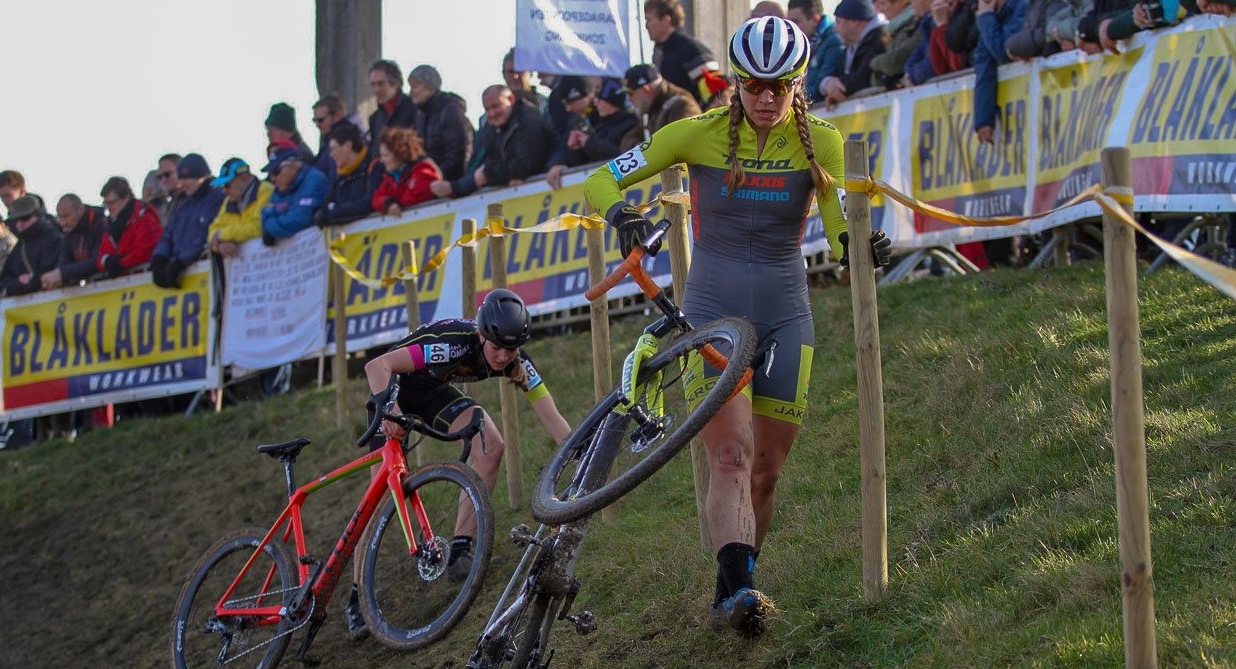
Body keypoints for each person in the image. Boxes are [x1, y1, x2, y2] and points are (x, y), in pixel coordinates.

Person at [583, 16, 890, 637]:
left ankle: (733, 584)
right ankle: (743, 589)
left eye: (780, 86)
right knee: (729, 453)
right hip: (712, 312)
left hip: (785, 309)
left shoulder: (820, 143)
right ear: (735, 83)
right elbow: (600, 177)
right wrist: (622, 215)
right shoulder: (692, 133)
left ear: (798, 83)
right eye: (754, 85)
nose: (767, 98)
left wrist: (858, 246)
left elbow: (835, 226)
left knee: (765, 470)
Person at [348, 289, 572, 637]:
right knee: (377, 501)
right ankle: (356, 596)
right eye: (495, 346)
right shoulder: (453, 345)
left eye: (510, 349)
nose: (501, 356)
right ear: (481, 334)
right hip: (392, 391)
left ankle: (461, 550)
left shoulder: (515, 359)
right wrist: (388, 408)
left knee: (491, 445)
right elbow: (377, 364)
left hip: (433, 392)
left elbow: (550, 414)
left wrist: (579, 450)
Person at [431, 85, 551, 199]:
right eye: (487, 109)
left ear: (511, 99)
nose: (492, 113)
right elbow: (486, 163)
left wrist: (487, 173)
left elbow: (526, 166)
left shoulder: (529, 122)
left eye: (496, 106)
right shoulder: (490, 127)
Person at [547, 78, 641, 189]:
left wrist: (590, 143)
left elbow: (626, 156)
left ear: (609, 101)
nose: (595, 103)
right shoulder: (596, 124)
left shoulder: (630, 125)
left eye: (599, 99)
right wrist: (574, 149)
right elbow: (583, 163)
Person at [151, 153, 225, 288]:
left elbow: (206, 233)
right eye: (181, 178)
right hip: (187, 279)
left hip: (209, 276)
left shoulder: (217, 198)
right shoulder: (185, 205)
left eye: (187, 178)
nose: (183, 183)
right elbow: (168, 234)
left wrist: (181, 261)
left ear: (201, 177)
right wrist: (159, 258)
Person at [644, 0, 731, 108]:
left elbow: (719, 93)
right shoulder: (661, 52)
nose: (646, 26)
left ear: (666, 19)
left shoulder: (691, 50)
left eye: (649, 19)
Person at [972, 0, 1028, 143]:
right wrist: (984, 120)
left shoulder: (1023, 5)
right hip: (1020, 110)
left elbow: (1006, 52)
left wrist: (985, 18)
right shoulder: (992, 16)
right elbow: (983, 65)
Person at [408, 64, 473, 183]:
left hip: (449, 184)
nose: (411, 92)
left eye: (415, 86)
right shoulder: (420, 115)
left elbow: (458, 156)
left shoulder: (450, 111)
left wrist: (433, 178)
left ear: (429, 86)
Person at [818, 0, 889, 105]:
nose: (835, 29)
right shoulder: (852, 45)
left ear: (854, 22)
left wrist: (836, 88)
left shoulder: (879, 39)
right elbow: (835, 74)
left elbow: (864, 77)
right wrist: (827, 83)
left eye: (838, 22)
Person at [95, 176, 163, 278]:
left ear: (126, 197)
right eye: (105, 203)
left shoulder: (144, 217)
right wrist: (107, 261)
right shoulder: (111, 224)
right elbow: (101, 256)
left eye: (111, 202)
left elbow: (145, 251)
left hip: (144, 280)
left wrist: (119, 262)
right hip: (124, 283)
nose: (108, 208)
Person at [260, 147, 331, 244]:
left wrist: (270, 226)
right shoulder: (279, 190)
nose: (272, 178)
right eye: (271, 174)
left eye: (276, 172)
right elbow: (265, 216)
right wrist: (270, 224)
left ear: (292, 166)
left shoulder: (315, 180)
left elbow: (299, 219)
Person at [315, 124, 382, 226]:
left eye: (333, 149)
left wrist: (334, 212)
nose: (331, 155)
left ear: (347, 146)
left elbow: (368, 203)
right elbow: (326, 204)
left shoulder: (373, 167)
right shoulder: (340, 177)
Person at [0, 196, 64, 297]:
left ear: (38, 215)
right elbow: (1, 282)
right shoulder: (20, 246)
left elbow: (48, 275)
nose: (19, 224)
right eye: (15, 220)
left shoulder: (55, 240)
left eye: (25, 218)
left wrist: (24, 283)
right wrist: (19, 282)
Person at [371, 127, 442, 217]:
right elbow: (376, 199)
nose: (382, 160)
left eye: (386, 155)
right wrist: (387, 203)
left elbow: (414, 197)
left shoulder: (423, 170)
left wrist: (396, 204)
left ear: (400, 153)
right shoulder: (390, 177)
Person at [208, 158, 272, 257]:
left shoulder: (266, 191)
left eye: (227, 185)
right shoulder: (228, 202)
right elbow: (212, 231)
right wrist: (219, 245)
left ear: (244, 177)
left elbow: (259, 227)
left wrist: (222, 235)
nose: (224, 191)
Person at [622, 64, 701, 144]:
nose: (629, 99)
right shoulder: (650, 106)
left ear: (646, 90)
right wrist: (637, 148)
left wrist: (648, 150)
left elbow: (686, 142)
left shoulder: (682, 105)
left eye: (631, 93)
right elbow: (629, 138)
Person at [41, 193, 106, 289]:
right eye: (59, 217)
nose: (62, 223)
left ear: (80, 210)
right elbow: (63, 262)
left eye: (66, 216)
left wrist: (62, 274)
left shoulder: (101, 225)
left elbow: (98, 261)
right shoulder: (69, 232)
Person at [788, 0, 846, 102]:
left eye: (796, 22)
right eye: (789, 23)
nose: (792, 28)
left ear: (815, 19)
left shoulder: (834, 41)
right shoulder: (802, 43)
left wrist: (790, 99)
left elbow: (819, 87)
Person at [312, 92, 370, 179]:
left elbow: (334, 177)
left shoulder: (341, 141)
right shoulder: (328, 141)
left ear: (337, 115)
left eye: (321, 120)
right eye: (314, 121)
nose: (317, 125)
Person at [367, 59, 418, 158]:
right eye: (373, 85)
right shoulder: (374, 119)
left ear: (395, 84)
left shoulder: (414, 109)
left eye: (381, 84)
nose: (376, 90)